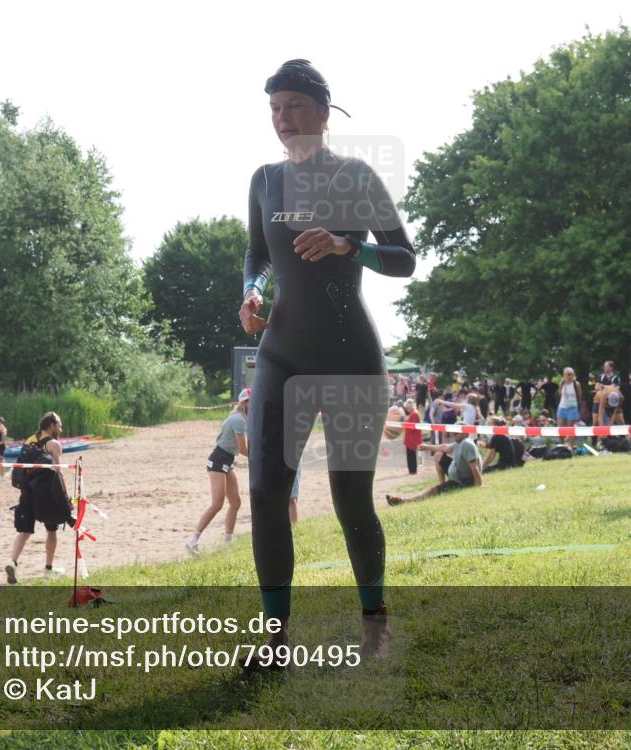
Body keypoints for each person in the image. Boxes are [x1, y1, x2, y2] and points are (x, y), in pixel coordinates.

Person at [238, 59, 415, 659]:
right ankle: (276, 635)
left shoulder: (357, 177)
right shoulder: (264, 180)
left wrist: (349, 245)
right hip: (281, 354)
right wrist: (253, 292)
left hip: (350, 359)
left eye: (291, 106)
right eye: (273, 109)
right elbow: (257, 255)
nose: (282, 119)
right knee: (265, 492)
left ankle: (374, 618)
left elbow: (404, 257)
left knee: (349, 498)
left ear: (322, 110)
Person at [6, 411, 73, 583]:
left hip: (27, 491)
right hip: (46, 494)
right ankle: (48, 569)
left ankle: (12, 563)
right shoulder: (54, 444)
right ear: (51, 425)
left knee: (25, 530)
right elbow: (58, 472)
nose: (61, 428)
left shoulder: (29, 441)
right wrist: (66, 499)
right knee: (51, 530)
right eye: (59, 424)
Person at [187, 389, 251, 554]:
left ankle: (227, 543)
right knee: (217, 504)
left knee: (235, 502)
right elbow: (243, 449)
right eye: (253, 401)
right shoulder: (239, 420)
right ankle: (192, 541)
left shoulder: (243, 418)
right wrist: (261, 456)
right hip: (218, 460)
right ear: (244, 403)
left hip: (226, 460)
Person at [385, 430, 482, 504]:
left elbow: (474, 467)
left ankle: (403, 501)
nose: (453, 434)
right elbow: (444, 447)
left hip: (461, 483)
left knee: (432, 491)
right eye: (453, 432)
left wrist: (479, 486)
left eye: (457, 433)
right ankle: (442, 484)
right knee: (438, 454)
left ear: (466, 434)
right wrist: (427, 447)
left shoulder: (466, 444)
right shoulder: (459, 443)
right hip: (457, 474)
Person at [556, 367, 582, 447]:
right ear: (564, 375)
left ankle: (571, 446)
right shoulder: (562, 383)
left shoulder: (576, 384)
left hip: (572, 408)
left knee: (570, 430)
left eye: (571, 374)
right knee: (560, 429)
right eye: (568, 375)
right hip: (562, 407)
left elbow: (579, 396)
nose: (569, 376)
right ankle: (562, 445)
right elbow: (560, 394)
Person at [402, 398, 423, 475]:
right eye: (406, 408)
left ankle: (413, 471)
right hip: (409, 438)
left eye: (408, 407)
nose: (407, 409)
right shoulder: (411, 414)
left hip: (412, 438)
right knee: (410, 455)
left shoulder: (414, 414)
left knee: (411, 455)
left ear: (411, 406)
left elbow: (413, 427)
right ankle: (411, 470)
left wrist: (406, 426)